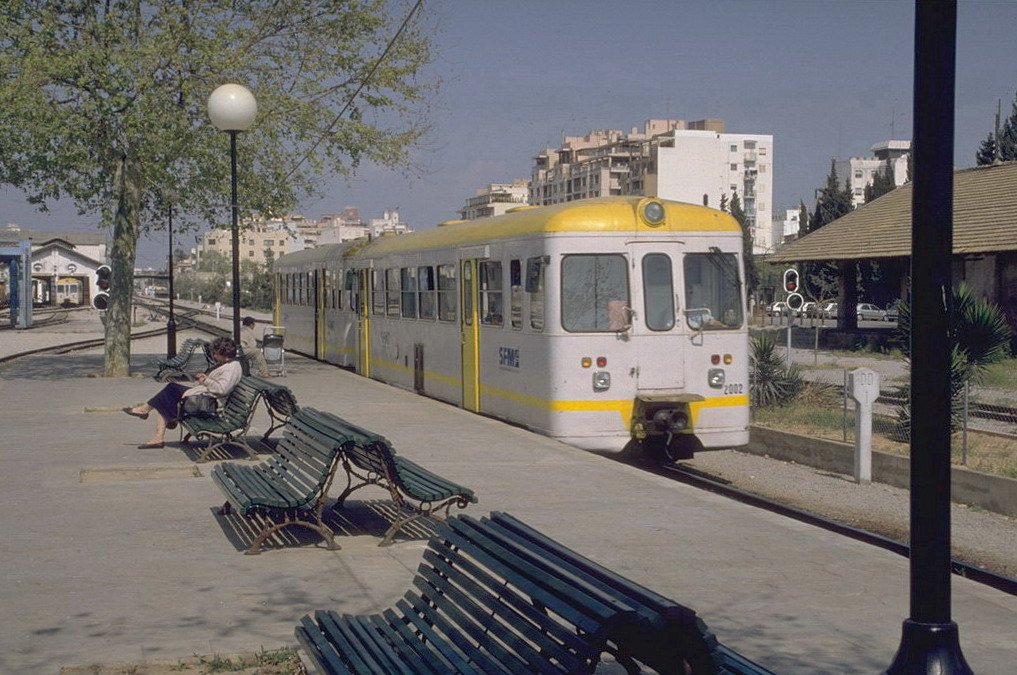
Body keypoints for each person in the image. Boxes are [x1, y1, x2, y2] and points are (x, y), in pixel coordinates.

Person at [123, 336, 242, 449]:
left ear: (223, 353)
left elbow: (222, 389)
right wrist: (206, 379)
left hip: (209, 404)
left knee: (168, 395)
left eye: (215, 353)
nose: (214, 356)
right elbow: (219, 384)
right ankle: (151, 423)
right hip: (206, 398)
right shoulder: (230, 365)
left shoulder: (232, 368)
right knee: (170, 390)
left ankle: (147, 414)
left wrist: (206, 380)